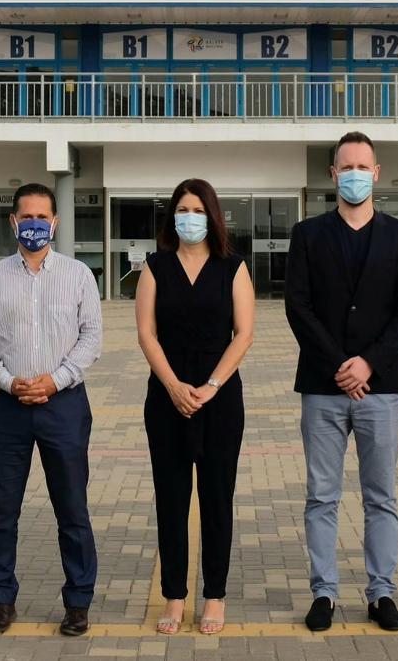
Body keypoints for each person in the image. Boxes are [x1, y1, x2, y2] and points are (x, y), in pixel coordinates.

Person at [285, 131, 398, 632]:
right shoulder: (308, 234)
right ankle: (323, 593)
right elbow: (297, 307)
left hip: (381, 387)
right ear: (333, 174)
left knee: (380, 495)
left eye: (363, 166)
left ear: (377, 173)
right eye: (347, 167)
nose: (355, 174)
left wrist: (368, 364)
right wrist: (341, 364)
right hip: (322, 387)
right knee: (322, 495)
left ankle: (381, 592)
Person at [0, 182, 103, 637]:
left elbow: (91, 339)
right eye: (27, 217)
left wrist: (55, 380)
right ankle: (0, 599)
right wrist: (7, 381)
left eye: (43, 217)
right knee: (2, 510)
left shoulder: (79, 275)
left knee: (72, 508)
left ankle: (78, 602)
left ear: (56, 223)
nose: (35, 225)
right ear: (13, 222)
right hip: (6, 407)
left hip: (63, 405)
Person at [135, 178, 255, 636]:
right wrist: (173, 386)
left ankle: (215, 596)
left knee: (216, 499)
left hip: (220, 400)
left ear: (213, 216)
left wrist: (210, 385)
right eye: (183, 209)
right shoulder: (155, 267)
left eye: (199, 209)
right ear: (172, 217)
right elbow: (146, 333)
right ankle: (174, 596)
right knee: (171, 499)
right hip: (166, 399)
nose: (191, 217)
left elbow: (243, 334)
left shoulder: (233, 267)